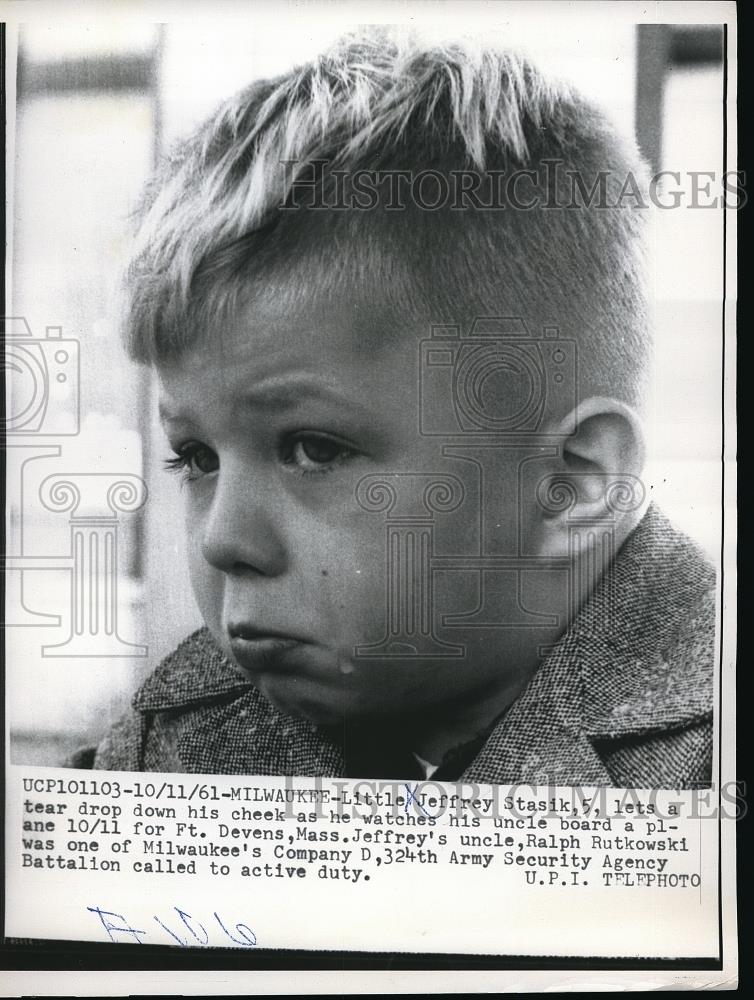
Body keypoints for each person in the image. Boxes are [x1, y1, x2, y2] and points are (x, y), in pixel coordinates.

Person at [82, 28, 715, 787]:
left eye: (314, 448)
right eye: (196, 458)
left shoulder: (711, 755)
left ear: (570, 486)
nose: (222, 542)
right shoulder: (177, 743)